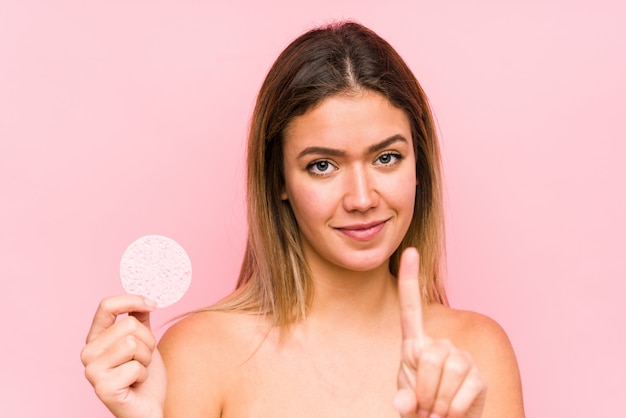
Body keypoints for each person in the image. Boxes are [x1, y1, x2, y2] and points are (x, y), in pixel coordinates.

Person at [81, 21, 524, 418]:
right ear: (279, 181)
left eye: (387, 158)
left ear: (418, 166)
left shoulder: (476, 352)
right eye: (322, 165)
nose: (362, 198)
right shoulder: (200, 354)